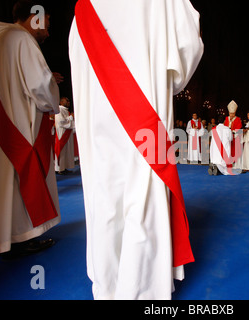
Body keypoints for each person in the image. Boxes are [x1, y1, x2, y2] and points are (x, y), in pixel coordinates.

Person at [69, 0, 203, 300]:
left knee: (105, 194)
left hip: (99, 120)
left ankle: (108, 284)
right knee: (143, 193)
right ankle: (142, 289)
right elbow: (187, 47)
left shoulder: (83, 8)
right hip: (146, 113)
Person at [0, 0, 62, 259]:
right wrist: (51, 98)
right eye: (47, 24)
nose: (47, 31)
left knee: (2, 179)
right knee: (21, 176)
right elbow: (39, 85)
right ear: (35, 18)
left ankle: (2, 235)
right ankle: (21, 236)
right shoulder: (22, 39)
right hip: (19, 120)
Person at [54, 97, 75, 174]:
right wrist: (71, 117)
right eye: (67, 100)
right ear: (62, 102)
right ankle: (59, 168)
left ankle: (64, 167)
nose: (69, 102)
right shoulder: (59, 110)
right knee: (61, 150)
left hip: (67, 132)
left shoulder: (66, 111)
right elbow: (61, 122)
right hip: (62, 133)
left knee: (66, 151)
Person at [224, 100, 243, 170]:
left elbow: (239, 128)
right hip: (228, 138)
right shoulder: (226, 118)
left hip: (235, 138)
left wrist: (233, 131)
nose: (231, 115)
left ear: (235, 113)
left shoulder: (237, 119)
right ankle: (228, 162)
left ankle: (234, 162)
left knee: (234, 150)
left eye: (233, 113)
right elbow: (225, 126)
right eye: (230, 113)